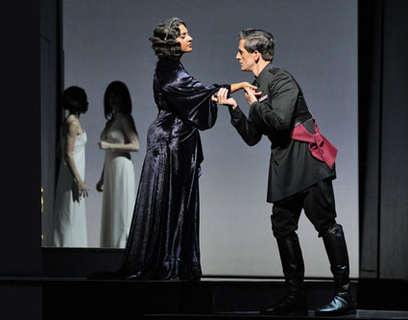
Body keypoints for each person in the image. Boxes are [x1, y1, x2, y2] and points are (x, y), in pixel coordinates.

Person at [89, 17, 256, 281]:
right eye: (183, 35)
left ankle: (175, 261)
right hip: (169, 142)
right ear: (171, 42)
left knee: (177, 203)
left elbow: (200, 92)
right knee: (168, 202)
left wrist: (237, 86)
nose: (190, 38)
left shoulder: (174, 67)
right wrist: (238, 86)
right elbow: (201, 93)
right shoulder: (168, 70)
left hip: (178, 141)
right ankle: (167, 262)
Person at [214, 29, 356, 316]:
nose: (236, 56)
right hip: (284, 164)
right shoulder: (258, 86)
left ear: (256, 54)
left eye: (241, 51)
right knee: (282, 226)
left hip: (307, 163)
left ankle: (344, 294)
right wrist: (234, 109)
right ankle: (295, 297)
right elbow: (253, 136)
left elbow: (279, 122)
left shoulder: (281, 80)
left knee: (326, 223)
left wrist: (253, 104)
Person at [96, 81, 140, 248]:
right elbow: (108, 154)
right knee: (111, 213)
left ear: (124, 97)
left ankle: (122, 251)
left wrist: (109, 145)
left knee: (121, 213)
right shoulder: (112, 121)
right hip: (111, 169)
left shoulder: (125, 119)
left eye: (117, 95)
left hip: (122, 169)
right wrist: (102, 178)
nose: (113, 99)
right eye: (110, 96)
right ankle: (111, 250)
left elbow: (136, 145)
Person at [53, 86, 90, 247]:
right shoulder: (73, 123)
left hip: (67, 176)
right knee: (70, 219)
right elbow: (68, 153)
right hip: (72, 179)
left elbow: (58, 152)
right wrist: (79, 180)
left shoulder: (67, 122)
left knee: (68, 218)